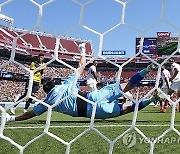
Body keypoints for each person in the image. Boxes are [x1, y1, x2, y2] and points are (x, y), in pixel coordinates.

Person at [6, 44, 160, 122]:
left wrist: (12, 119)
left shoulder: (47, 103)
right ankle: (147, 70)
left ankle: (152, 99)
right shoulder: (65, 85)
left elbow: (30, 114)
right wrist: (82, 50)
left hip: (93, 112)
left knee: (128, 109)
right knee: (126, 85)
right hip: (94, 96)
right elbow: (81, 66)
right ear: (54, 83)